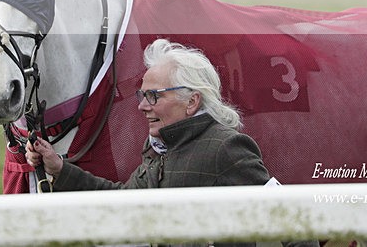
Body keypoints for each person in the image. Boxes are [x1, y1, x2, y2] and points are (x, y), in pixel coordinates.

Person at [27, 38, 319, 247]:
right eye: (142, 96)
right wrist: (59, 168)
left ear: (191, 102)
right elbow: (126, 201)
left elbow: (290, 217)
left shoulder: (226, 148)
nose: (142, 107)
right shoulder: (157, 147)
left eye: (154, 96)